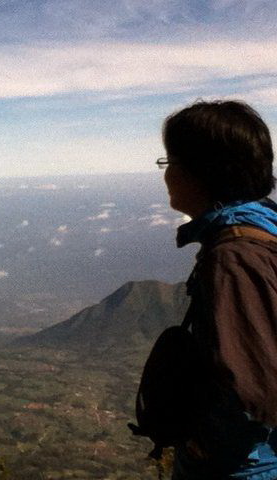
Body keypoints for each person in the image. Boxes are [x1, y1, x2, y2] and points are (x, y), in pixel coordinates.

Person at [160, 100, 277, 479]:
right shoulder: (265, 228)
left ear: (200, 172)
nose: (166, 174)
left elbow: (261, 390)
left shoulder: (235, 258)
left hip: (246, 468)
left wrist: (203, 447)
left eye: (170, 162)